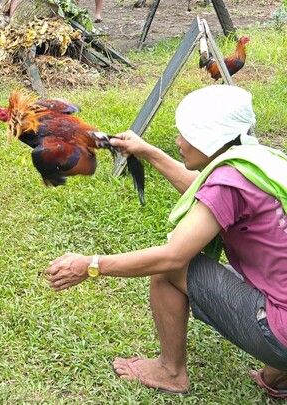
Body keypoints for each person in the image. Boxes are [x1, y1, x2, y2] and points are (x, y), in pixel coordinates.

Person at [45, 85, 287, 398]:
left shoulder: (229, 183)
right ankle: (279, 375)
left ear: (209, 139)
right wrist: (148, 151)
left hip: (280, 330)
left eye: (186, 135)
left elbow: (172, 257)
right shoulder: (261, 160)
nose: (178, 141)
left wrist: (91, 265)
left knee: (171, 268)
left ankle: (170, 371)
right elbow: (205, 192)